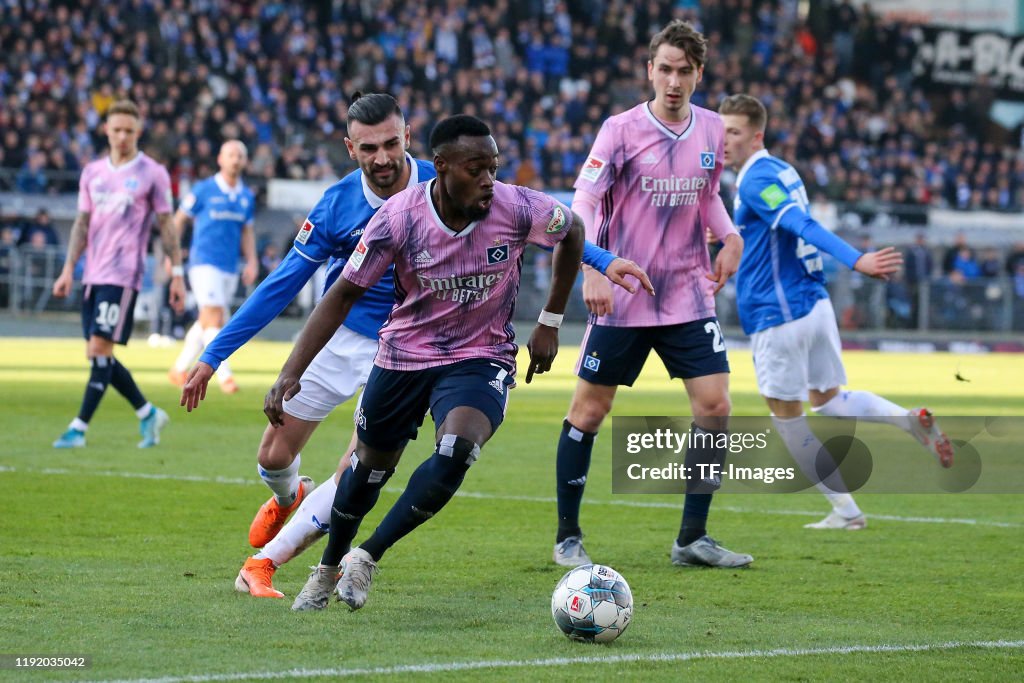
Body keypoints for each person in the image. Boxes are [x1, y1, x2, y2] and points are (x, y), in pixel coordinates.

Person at [180, 95, 651, 599]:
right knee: (275, 455)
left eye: (390, 143)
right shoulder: (344, 205)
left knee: (363, 466)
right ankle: (289, 492)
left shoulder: (458, 175)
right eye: (369, 148)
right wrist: (214, 355)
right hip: (357, 340)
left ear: (407, 139)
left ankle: (269, 563)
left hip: (436, 346)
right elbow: (287, 282)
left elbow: (542, 220)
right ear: (350, 149)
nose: (382, 158)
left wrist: (602, 262)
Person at [264, 113, 585, 612]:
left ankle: (366, 556)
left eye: (493, 168)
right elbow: (344, 292)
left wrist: (550, 320)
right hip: (403, 356)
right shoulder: (398, 217)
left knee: (459, 447)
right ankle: (329, 566)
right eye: (475, 169)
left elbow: (574, 230)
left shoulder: (518, 207)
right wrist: (292, 370)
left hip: (480, 356)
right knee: (367, 469)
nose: (488, 180)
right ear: (441, 167)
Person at [551, 20, 752, 570]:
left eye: (684, 71)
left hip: (689, 292)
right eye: (664, 69)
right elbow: (583, 206)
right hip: (624, 291)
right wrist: (592, 265)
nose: (673, 81)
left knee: (715, 407)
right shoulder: (618, 130)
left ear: (699, 75)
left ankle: (692, 538)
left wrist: (731, 236)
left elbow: (708, 198)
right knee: (590, 411)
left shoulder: (713, 130)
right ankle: (568, 536)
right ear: (649, 70)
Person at [719, 93, 953, 529]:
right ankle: (907, 422)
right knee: (829, 401)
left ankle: (846, 512)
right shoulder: (783, 171)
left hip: (779, 311)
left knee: (787, 420)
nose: (724, 140)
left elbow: (801, 226)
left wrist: (856, 259)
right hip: (813, 305)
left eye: (733, 132)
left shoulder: (754, 180)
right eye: (721, 131)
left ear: (756, 135)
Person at [51, 99, 185, 449]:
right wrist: (68, 270)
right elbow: (82, 223)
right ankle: (147, 413)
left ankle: (78, 428)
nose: (123, 136)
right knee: (98, 355)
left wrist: (177, 273)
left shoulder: (152, 173)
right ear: (106, 131)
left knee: (99, 348)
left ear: (138, 132)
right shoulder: (92, 173)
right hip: (92, 274)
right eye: (117, 130)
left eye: (129, 130)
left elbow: (167, 225)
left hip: (123, 275)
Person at [167, 140, 258, 394]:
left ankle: (178, 369)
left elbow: (247, 232)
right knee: (215, 316)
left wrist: (251, 260)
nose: (236, 159)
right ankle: (224, 376)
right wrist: (171, 253)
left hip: (229, 266)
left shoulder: (245, 196)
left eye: (240, 155)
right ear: (220, 159)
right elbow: (178, 220)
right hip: (203, 262)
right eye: (231, 155)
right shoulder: (204, 189)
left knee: (207, 320)